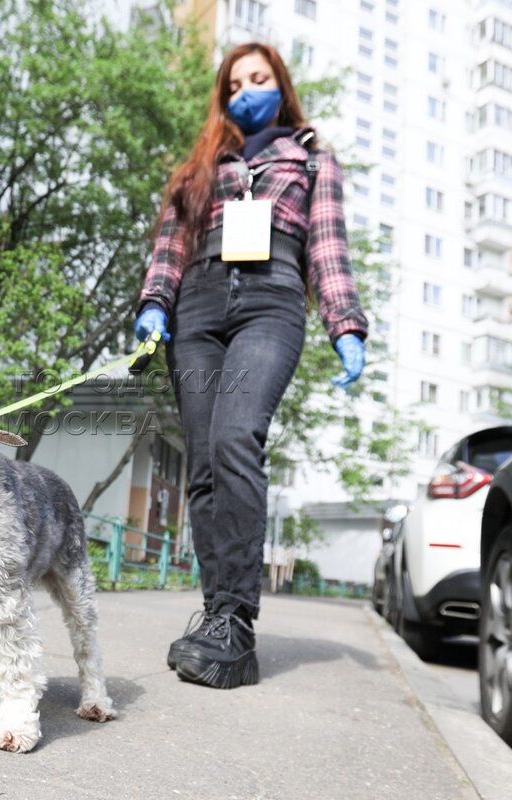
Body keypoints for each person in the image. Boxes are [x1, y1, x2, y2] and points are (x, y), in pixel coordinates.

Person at [133, 43, 369, 689]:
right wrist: (156, 305)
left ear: (281, 85)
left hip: (271, 302)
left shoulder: (312, 159)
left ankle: (237, 626)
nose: (247, 91)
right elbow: (171, 243)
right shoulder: (202, 164)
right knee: (205, 464)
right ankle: (215, 615)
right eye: (235, 84)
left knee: (237, 439)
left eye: (259, 79)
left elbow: (327, 245)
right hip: (199, 310)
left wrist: (345, 324)